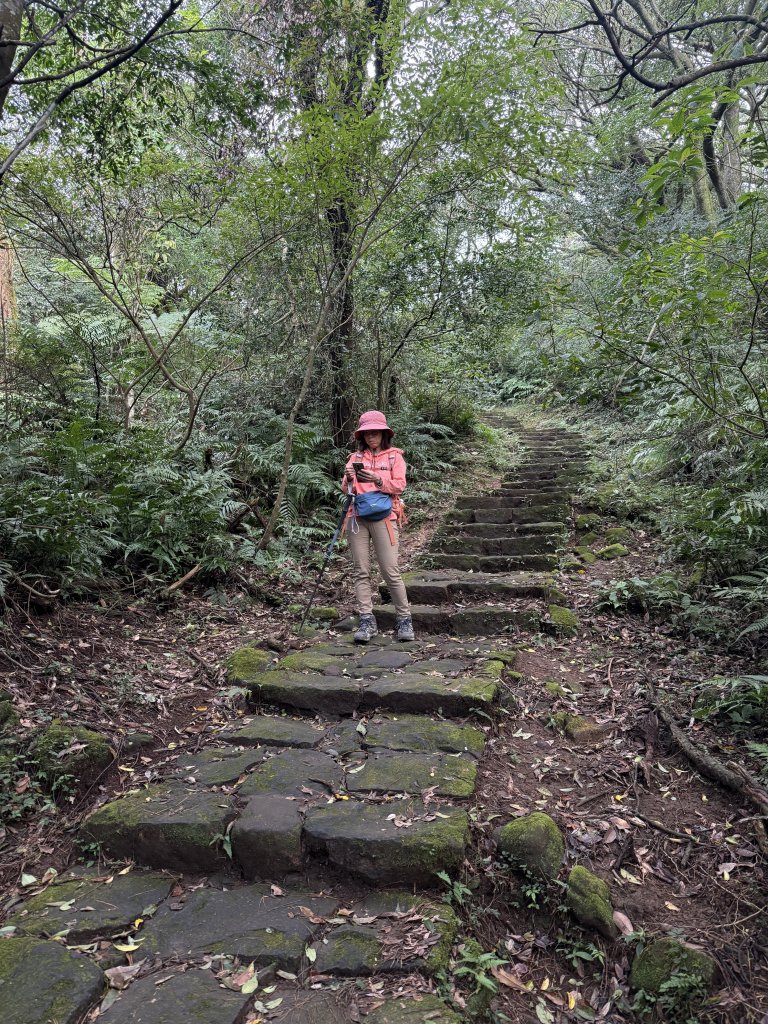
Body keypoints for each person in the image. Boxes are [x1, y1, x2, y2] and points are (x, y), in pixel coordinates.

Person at [342, 410, 414, 643]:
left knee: (390, 570)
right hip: (357, 516)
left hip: (385, 517)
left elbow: (400, 486)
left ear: (384, 434)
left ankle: (404, 619)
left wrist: (377, 479)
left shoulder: (394, 457)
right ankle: (366, 620)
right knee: (361, 570)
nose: (372, 437)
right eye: (367, 434)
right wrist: (349, 477)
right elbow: (347, 490)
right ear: (362, 436)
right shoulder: (355, 458)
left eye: (376, 433)